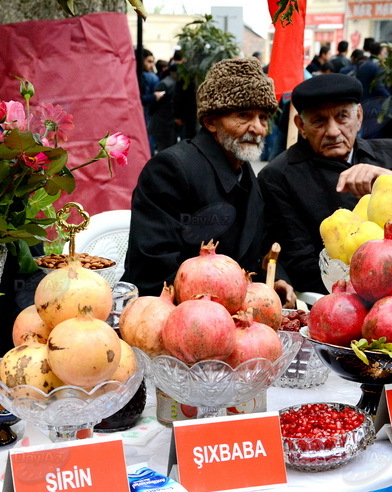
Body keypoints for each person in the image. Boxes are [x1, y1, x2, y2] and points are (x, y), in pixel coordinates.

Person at [258, 74, 392, 294]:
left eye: (342, 117)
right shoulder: (279, 176)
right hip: (343, 298)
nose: (332, 131)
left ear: (359, 116)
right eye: (319, 121)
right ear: (300, 125)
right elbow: (300, 263)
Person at [123, 57, 295, 306]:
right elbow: (153, 271)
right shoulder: (170, 170)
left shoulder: (245, 172)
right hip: (175, 317)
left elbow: (260, 249)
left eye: (263, 117)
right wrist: (234, 299)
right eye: (243, 115)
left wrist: (275, 279)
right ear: (211, 121)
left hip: (236, 316)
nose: (257, 128)